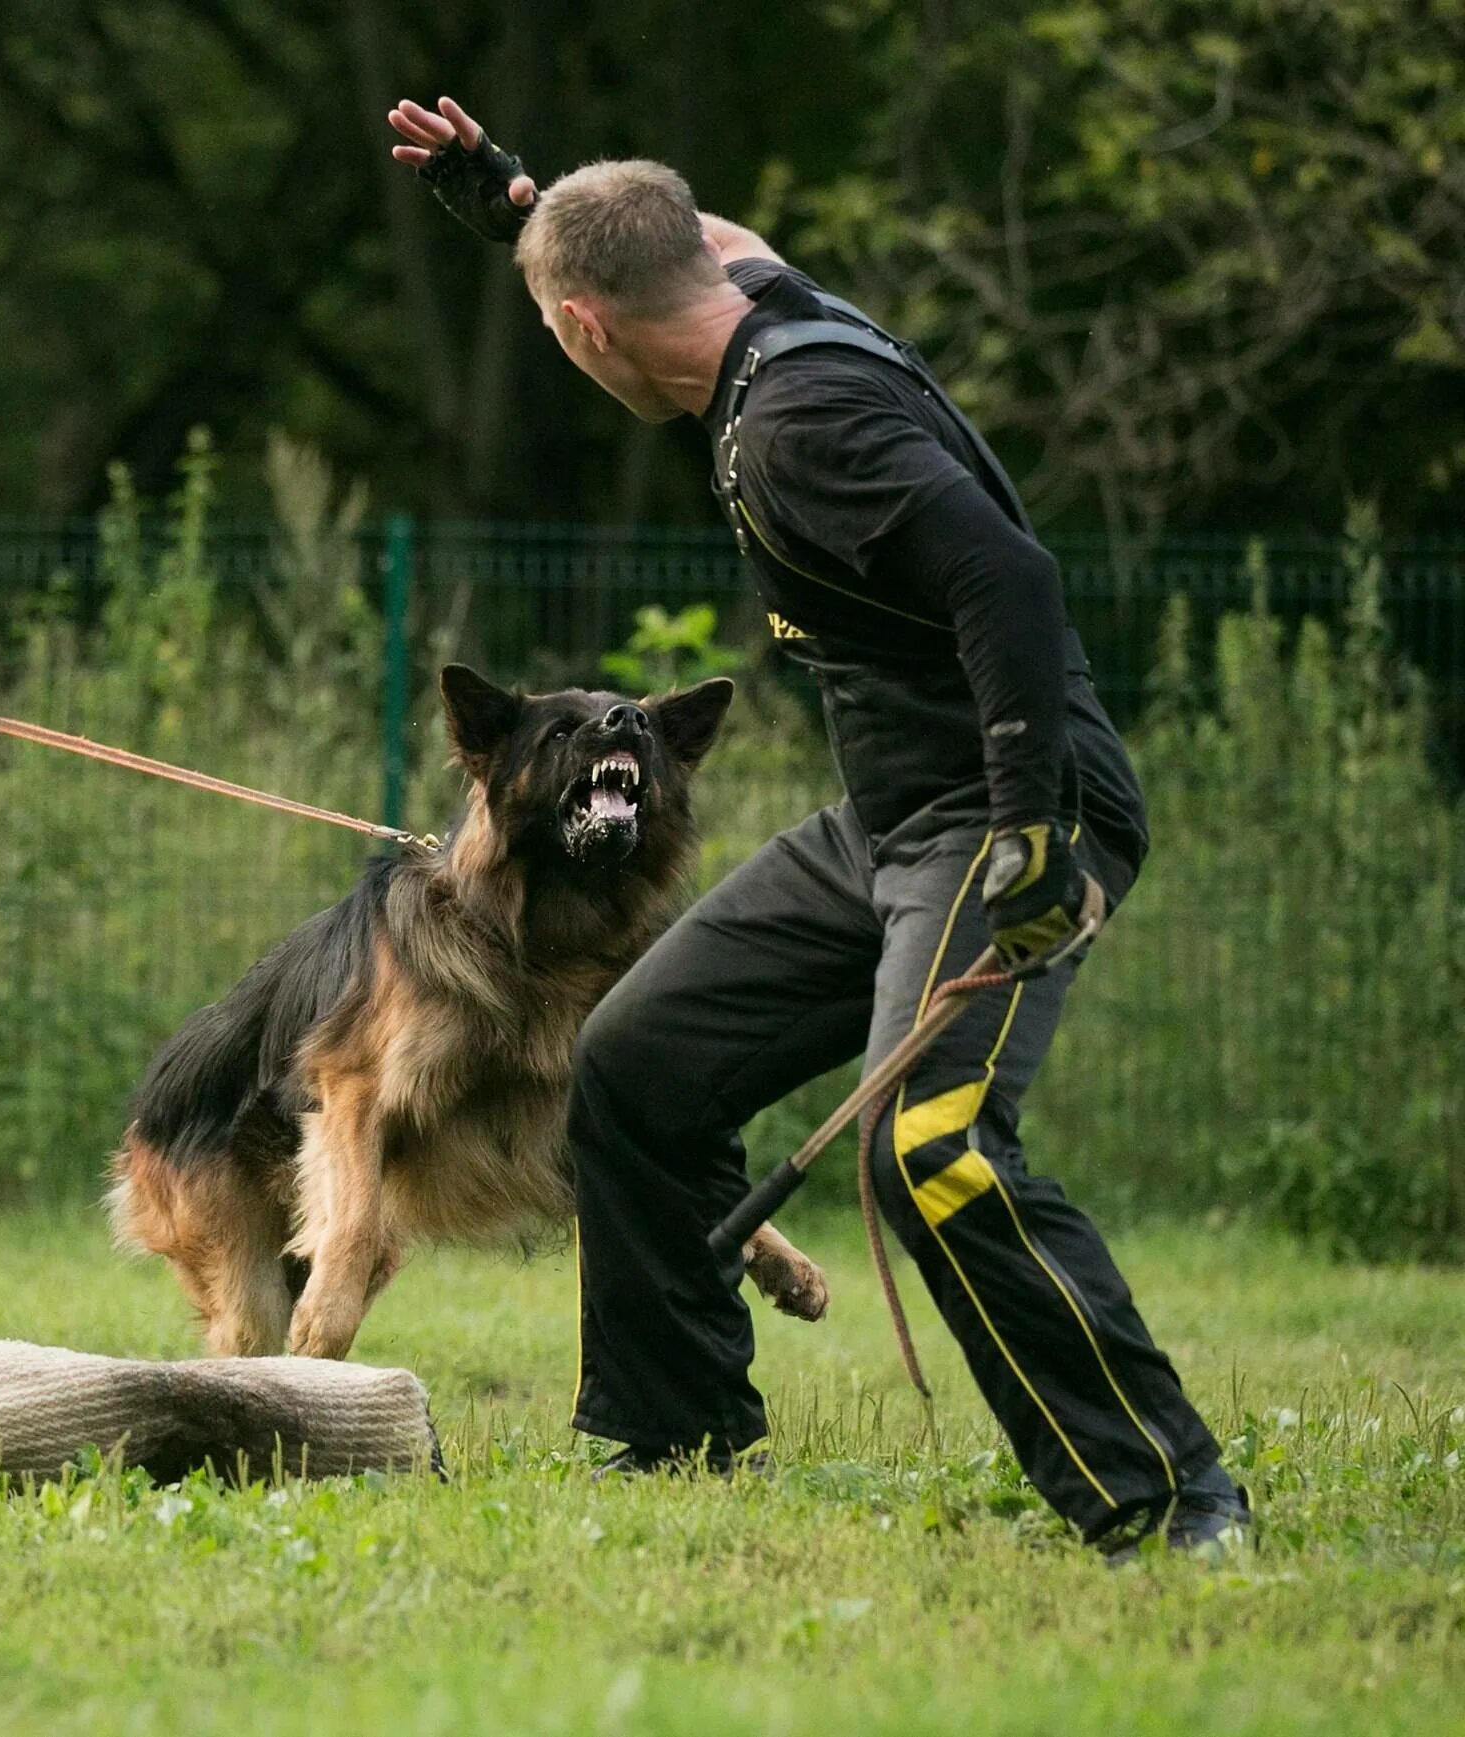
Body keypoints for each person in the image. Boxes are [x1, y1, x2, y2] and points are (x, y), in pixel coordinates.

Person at [386, 99, 1248, 1561]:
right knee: (640, 1070)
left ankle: (1166, 1500)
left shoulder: (800, 428)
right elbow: (660, 233)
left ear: (589, 328)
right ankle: (677, 1432)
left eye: (558, 326)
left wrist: (1036, 827)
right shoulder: (754, 295)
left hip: (1005, 809)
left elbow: (1014, 586)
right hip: (895, 817)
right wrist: (521, 204)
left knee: (938, 1144)